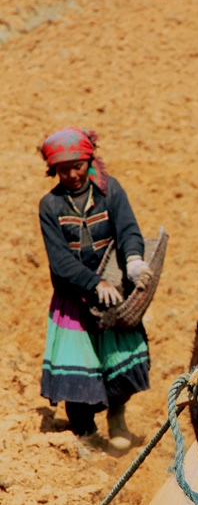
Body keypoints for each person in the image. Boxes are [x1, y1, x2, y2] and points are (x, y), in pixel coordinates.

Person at [38, 127, 153, 452]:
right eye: (64, 169)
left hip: (114, 293)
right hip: (74, 298)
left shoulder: (110, 191)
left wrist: (133, 260)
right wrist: (93, 283)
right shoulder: (50, 205)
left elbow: (129, 229)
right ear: (53, 171)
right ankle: (86, 433)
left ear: (88, 161)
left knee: (121, 359)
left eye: (78, 166)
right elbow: (59, 261)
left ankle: (117, 416)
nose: (73, 174)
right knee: (78, 373)